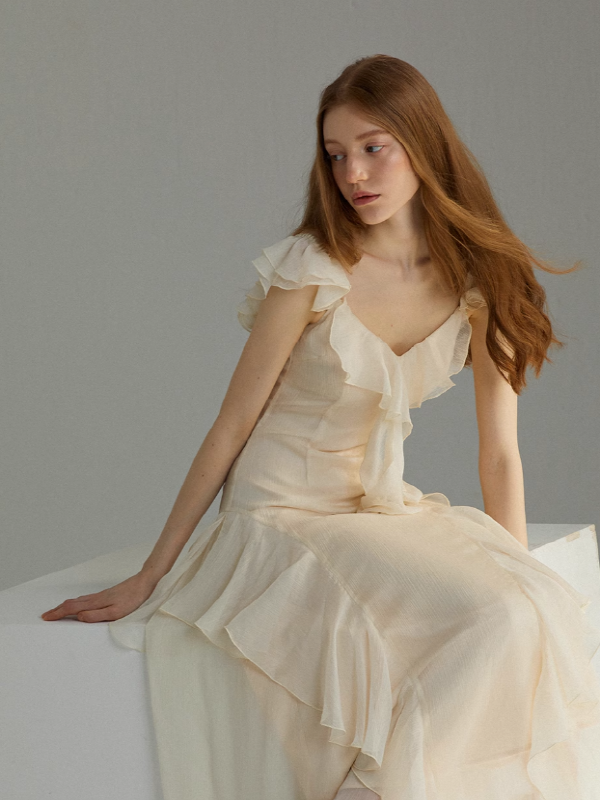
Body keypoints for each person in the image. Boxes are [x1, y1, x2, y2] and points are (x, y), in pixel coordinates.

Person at [40, 55, 600, 800]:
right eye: (337, 156)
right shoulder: (312, 269)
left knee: (528, 609)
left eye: (374, 148)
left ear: (423, 145)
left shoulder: (479, 280)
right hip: (279, 517)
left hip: (377, 514)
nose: (354, 175)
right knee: (492, 621)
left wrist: (515, 561)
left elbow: (499, 453)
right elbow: (232, 423)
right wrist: (154, 571)